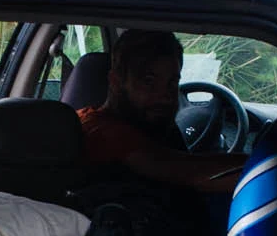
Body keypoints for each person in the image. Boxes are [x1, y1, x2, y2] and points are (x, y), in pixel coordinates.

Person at [77, 29, 246, 195]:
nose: (165, 96)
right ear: (116, 81)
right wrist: (265, 163)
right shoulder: (102, 131)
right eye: (149, 82)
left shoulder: (142, 126)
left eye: (172, 83)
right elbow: (192, 174)